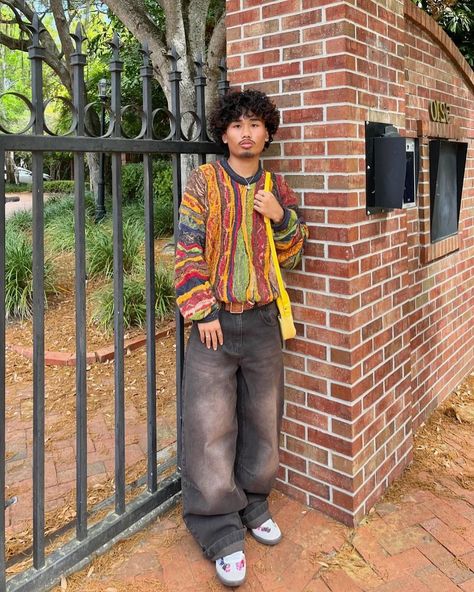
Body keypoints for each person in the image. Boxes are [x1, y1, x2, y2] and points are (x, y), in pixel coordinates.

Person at [175, 89, 308, 587]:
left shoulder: (276, 185)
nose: (246, 133)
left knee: (262, 419)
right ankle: (217, 526)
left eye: (255, 124)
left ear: (267, 132)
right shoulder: (205, 181)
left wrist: (280, 216)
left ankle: (254, 503)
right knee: (210, 427)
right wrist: (201, 309)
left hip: (263, 322)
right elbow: (186, 246)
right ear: (224, 133)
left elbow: (294, 253)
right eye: (237, 125)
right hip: (214, 322)